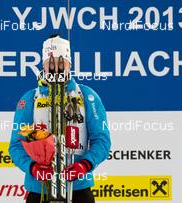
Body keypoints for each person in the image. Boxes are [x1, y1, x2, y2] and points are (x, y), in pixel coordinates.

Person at [8, 34, 111, 203]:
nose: (57, 67)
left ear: (70, 63)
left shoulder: (86, 95)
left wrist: (84, 165)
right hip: (39, 188)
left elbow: (102, 140)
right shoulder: (30, 98)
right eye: (51, 62)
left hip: (78, 187)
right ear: (43, 65)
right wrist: (33, 168)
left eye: (62, 62)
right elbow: (15, 145)